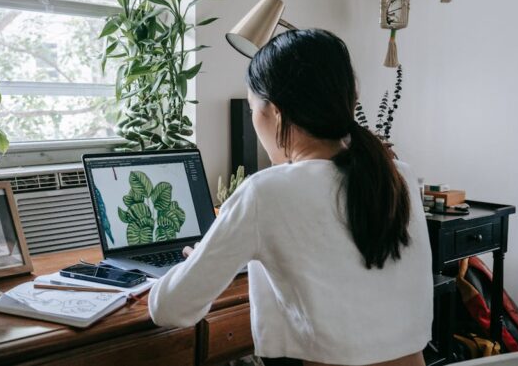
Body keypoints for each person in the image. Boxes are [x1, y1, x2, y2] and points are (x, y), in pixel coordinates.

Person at [148, 29, 433, 366]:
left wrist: (199, 263)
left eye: (253, 108)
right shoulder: (397, 175)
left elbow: (169, 308)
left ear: (277, 113)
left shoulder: (265, 191)